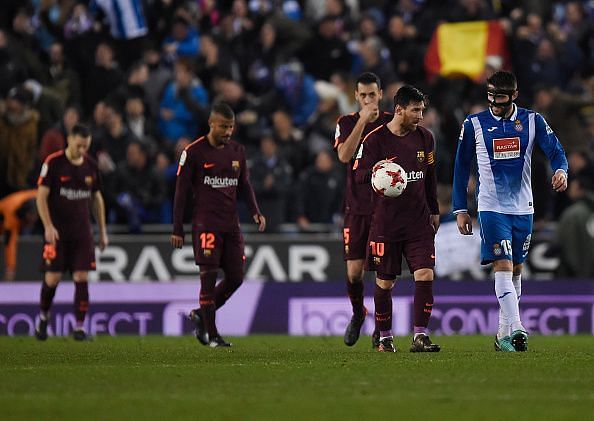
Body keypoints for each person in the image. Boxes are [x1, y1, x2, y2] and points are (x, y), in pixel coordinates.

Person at [452, 71, 568, 352]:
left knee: (516, 269)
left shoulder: (531, 120)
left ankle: (502, 335)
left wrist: (561, 170)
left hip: (523, 208)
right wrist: (460, 209)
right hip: (491, 207)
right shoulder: (474, 124)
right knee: (502, 265)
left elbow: (556, 151)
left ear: (514, 95)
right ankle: (518, 327)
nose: (494, 103)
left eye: (500, 98)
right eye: (490, 96)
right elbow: (460, 166)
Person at [170, 102, 266, 348]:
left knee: (236, 277)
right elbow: (180, 193)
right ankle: (212, 335)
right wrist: (177, 228)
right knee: (208, 277)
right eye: (223, 126)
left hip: (231, 225)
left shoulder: (237, 151)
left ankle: (201, 315)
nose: (228, 132)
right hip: (206, 225)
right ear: (211, 124)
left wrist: (255, 211)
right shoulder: (193, 152)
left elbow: (244, 185)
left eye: (231, 127)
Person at [354, 85, 441, 353]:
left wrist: (435, 210)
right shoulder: (374, 140)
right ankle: (385, 338)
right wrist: (376, 173)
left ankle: (420, 336)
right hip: (386, 224)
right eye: (416, 110)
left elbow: (430, 176)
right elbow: (357, 174)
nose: (420, 116)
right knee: (385, 282)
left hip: (418, 222)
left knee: (425, 274)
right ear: (399, 109)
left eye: (422, 110)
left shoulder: (425, 138)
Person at [333, 72, 392, 347]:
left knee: (383, 272)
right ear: (356, 96)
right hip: (356, 209)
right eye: (363, 95)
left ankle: (381, 328)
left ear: (380, 94)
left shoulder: (393, 123)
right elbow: (344, 155)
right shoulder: (345, 123)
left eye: (373, 94)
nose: (368, 100)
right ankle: (359, 313)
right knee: (354, 273)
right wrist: (362, 121)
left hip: (385, 210)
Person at [35, 124, 109, 341]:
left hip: (82, 233)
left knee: (82, 276)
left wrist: (103, 231)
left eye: (86, 146)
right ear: (69, 140)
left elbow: (96, 198)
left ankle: (79, 328)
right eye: (79, 145)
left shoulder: (90, 165)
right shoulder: (54, 163)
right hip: (57, 233)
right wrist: (48, 225)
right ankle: (43, 317)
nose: (82, 150)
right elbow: (41, 197)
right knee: (53, 278)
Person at [0, 189, 38, 281]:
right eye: (32, 215)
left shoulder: (35, 196)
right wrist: (11, 268)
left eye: (35, 215)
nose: (34, 218)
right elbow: (10, 243)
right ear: (26, 214)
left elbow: (43, 191)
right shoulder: (11, 214)